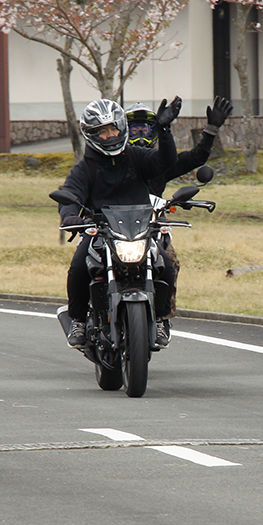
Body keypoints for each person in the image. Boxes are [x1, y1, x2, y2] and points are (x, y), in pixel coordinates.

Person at [56, 97, 180, 349]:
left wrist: (165, 131)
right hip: (100, 232)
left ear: (122, 127)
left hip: (140, 230)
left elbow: (165, 162)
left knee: (166, 266)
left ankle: (160, 319)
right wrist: (70, 216)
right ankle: (78, 320)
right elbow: (70, 194)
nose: (110, 135)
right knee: (79, 266)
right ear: (91, 135)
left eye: (113, 128)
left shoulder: (137, 157)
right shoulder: (85, 168)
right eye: (102, 131)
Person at [124, 96, 233, 330]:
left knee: (170, 262)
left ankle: (162, 318)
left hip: (150, 225)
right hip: (114, 226)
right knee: (87, 259)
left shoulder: (158, 163)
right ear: (124, 131)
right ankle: (83, 316)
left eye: (146, 129)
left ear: (154, 132)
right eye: (134, 129)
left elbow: (196, 157)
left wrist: (211, 130)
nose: (140, 135)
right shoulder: (112, 161)